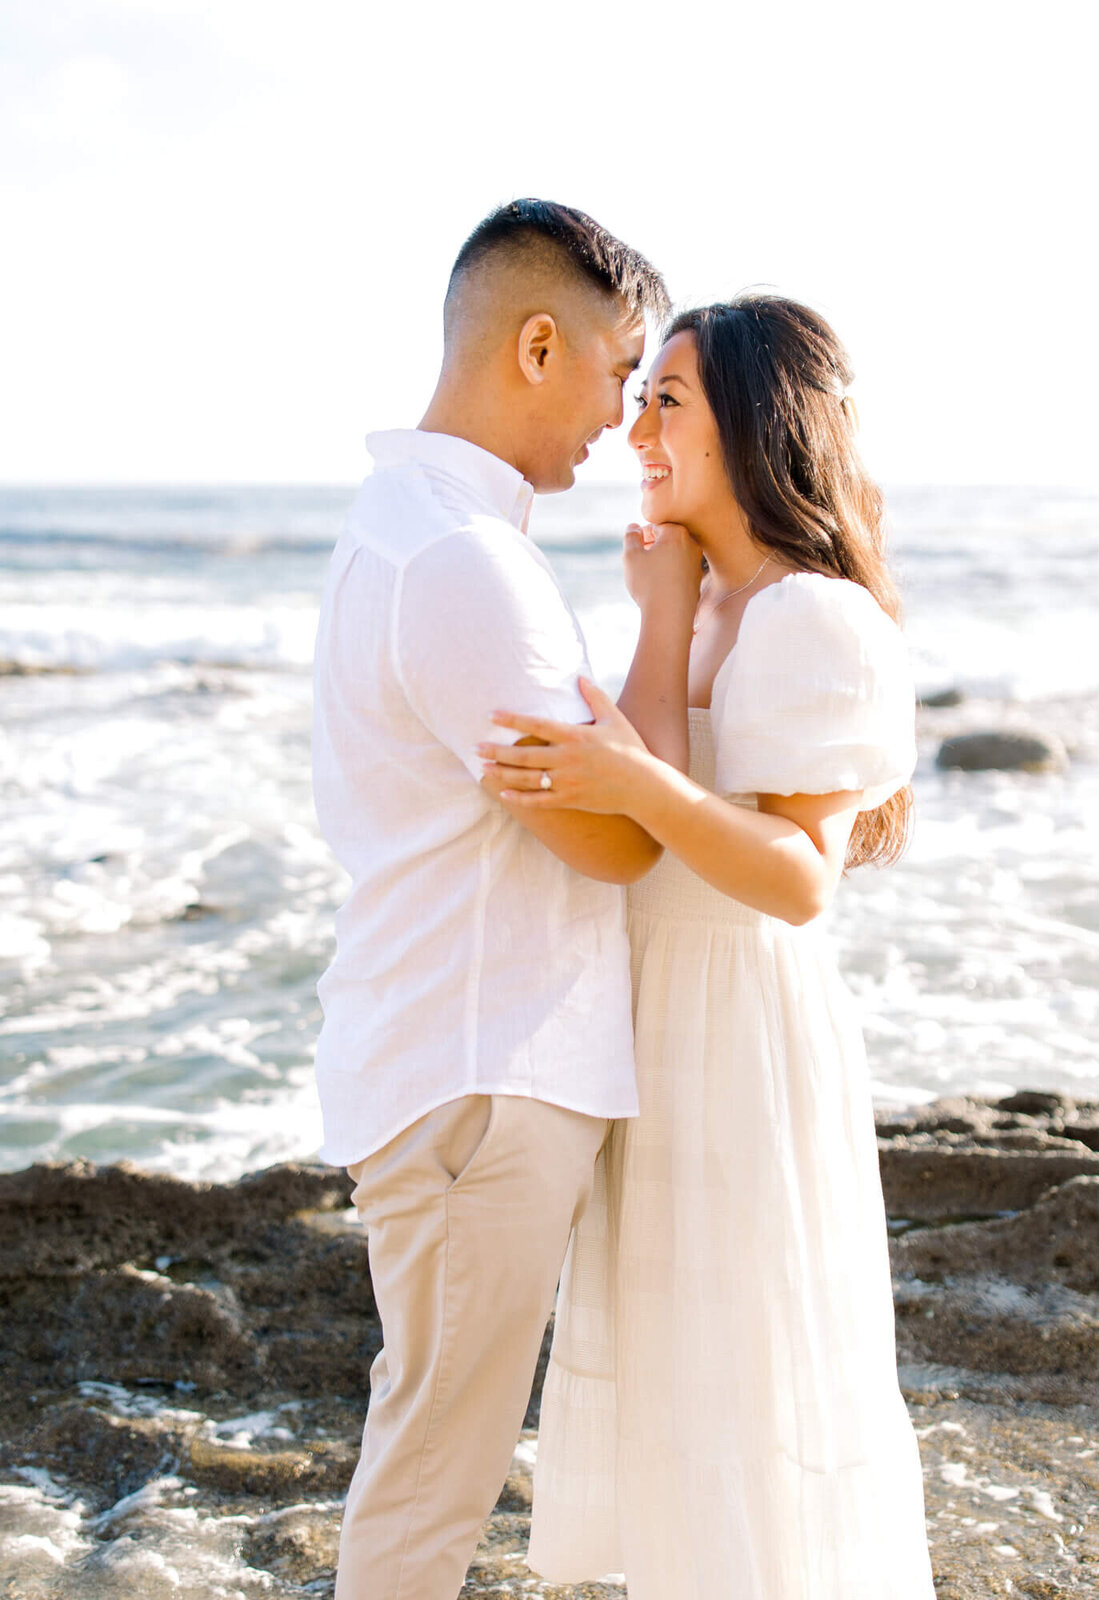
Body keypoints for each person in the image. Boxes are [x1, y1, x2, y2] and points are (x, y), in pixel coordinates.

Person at [477, 296, 937, 1598]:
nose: (635, 429)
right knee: (671, 1371)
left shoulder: (812, 617)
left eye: (667, 400)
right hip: (650, 1021)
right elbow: (651, 793)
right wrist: (661, 609)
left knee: (744, 1366)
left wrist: (625, 773)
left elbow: (798, 881)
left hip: (737, 1029)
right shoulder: (714, 601)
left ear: (756, 419)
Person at [309, 198, 669, 1600]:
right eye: (615, 370)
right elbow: (613, 846)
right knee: (433, 1483)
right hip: (479, 1071)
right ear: (536, 344)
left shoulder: (423, 533)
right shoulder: (458, 561)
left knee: (439, 1456)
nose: (621, 415)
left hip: (467, 1056)